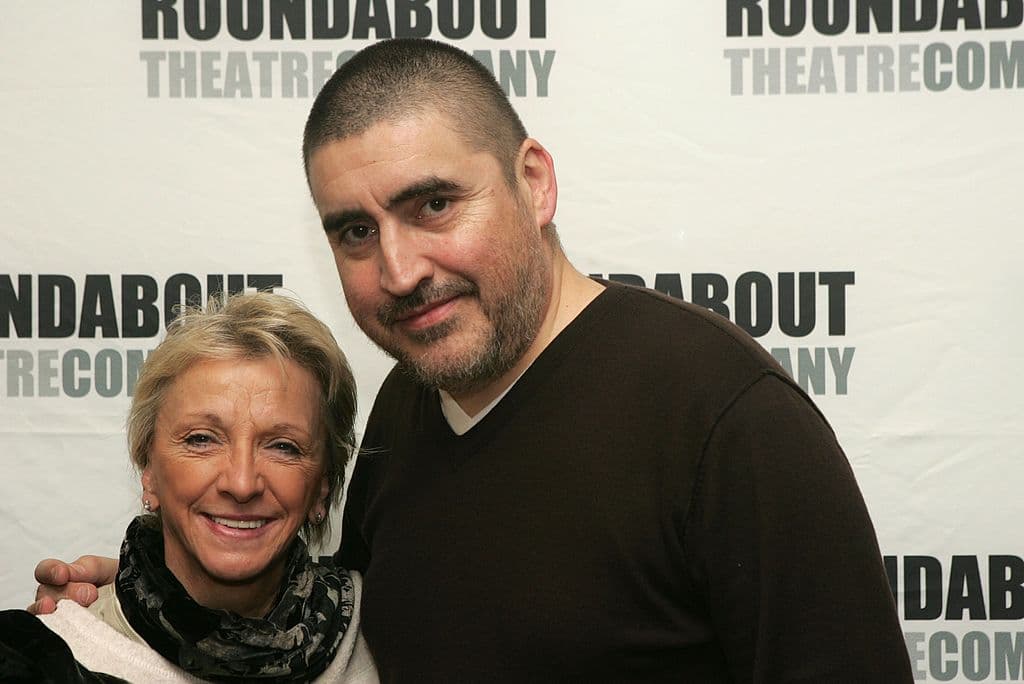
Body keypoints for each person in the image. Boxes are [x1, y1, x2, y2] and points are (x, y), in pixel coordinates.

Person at [33, 39, 912, 681]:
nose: (401, 269)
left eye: (435, 204)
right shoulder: (407, 403)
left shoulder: (722, 417)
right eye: (354, 231)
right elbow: (331, 626)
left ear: (534, 182)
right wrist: (149, 609)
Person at [9, 293, 377, 683]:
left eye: (282, 446)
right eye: (202, 439)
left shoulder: (388, 629)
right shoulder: (48, 657)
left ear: (322, 487)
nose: (241, 483)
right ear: (147, 469)